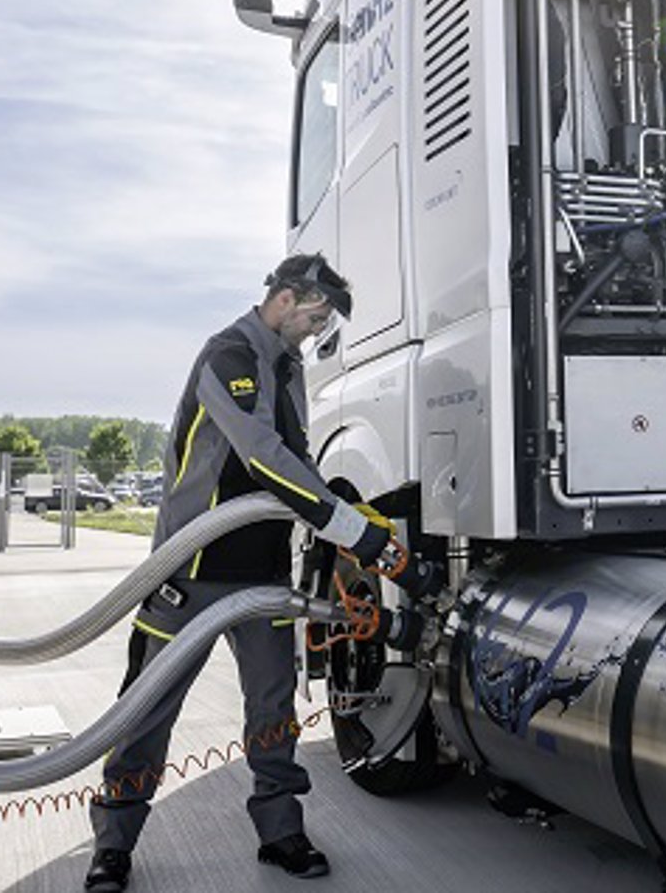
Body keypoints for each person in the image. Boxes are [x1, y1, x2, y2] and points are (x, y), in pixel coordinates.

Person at [85, 253, 433, 892]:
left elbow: (299, 460)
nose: (317, 328)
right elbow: (264, 457)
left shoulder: (286, 366)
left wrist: (352, 519)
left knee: (272, 711)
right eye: (316, 314)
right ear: (285, 298)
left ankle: (281, 834)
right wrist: (356, 533)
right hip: (190, 569)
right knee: (147, 711)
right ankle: (112, 846)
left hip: (265, 573)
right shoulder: (229, 357)